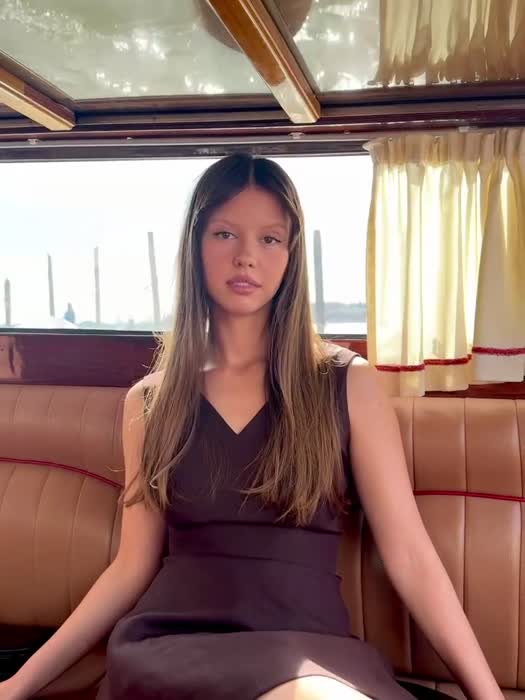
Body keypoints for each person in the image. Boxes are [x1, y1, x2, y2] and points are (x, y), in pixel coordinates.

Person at [0, 154, 503, 700]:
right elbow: (131, 567)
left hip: (311, 654)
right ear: (195, 246)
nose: (246, 256)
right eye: (225, 234)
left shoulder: (347, 382)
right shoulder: (149, 401)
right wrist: (18, 686)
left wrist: (488, 696)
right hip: (173, 649)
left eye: (270, 239)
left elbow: (410, 555)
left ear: (291, 255)